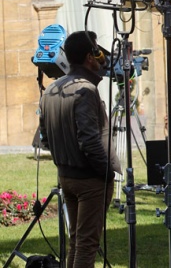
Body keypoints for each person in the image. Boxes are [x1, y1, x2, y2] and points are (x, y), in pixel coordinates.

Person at [39, 30, 122, 268]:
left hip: (67, 176)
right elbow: (89, 140)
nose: (100, 57)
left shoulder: (50, 90)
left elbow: (45, 138)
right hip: (90, 179)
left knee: (76, 241)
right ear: (89, 56)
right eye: (97, 52)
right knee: (86, 245)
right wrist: (105, 172)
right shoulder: (86, 89)